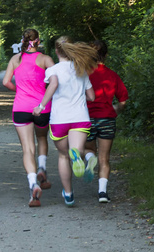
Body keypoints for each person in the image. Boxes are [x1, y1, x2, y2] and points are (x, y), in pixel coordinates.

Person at [32, 36, 98, 207]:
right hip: (79, 118)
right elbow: (91, 96)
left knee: (63, 156)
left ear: (56, 51)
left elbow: (53, 85)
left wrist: (41, 105)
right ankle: (80, 156)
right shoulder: (81, 70)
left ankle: (68, 194)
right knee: (77, 149)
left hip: (60, 119)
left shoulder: (53, 70)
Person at [2, 28, 55, 207]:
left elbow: (5, 82)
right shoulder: (46, 59)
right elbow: (57, 80)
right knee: (42, 137)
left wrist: (20, 90)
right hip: (42, 107)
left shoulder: (15, 59)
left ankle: (33, 184)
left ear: (23, 41)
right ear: (38, 41)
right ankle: (42, 168)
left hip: (21, 107)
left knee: (27, 149)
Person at [84, 40, 128, 203]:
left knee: (87, 148)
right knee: (105, 158)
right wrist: (116, 109)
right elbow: (123, 99)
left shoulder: (83, 74)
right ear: (106, 55)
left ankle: (89, 159)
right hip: (107, 119)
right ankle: (102, 193)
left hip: (86, 118)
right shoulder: (112, 75)